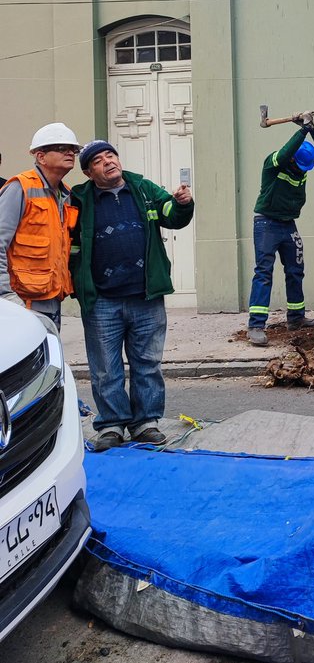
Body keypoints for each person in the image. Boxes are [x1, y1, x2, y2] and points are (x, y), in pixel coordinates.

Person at [70, 140, 195, 451]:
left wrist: (181, 202)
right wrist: (77, 282)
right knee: (104, 368)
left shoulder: (141, 188)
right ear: (88, 172)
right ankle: (111, 425)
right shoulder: (79, 198)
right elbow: (67, 242)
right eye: (98, 160)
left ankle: (145, 423)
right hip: (102, 300)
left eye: (110, 155)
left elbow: (172, 215)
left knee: (147, 363)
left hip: (146, 296)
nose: (108, 162)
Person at [247, 111, 314, 347]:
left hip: (288, 224)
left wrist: (312, 128)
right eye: (300, 166)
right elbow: (285, 151)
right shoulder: (274, 164)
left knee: (295, 269)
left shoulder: (302, 163)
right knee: (263, 273)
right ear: (292, 159)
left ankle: (296, 317)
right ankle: (255, 326)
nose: (303, 171)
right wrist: (302, 130)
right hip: (266, 223)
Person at [0, 123, 81, 331]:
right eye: (62, 149)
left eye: (73, 149)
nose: (70, 153)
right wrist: (5, 295)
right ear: (40, 156)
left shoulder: (66, 195)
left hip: (51, 299)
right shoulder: (20, 187)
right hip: (21, 302)